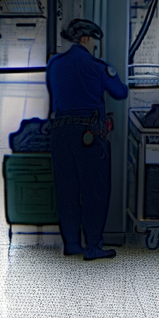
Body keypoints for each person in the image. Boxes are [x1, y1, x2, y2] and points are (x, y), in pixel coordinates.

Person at [46, 18, 128, 260]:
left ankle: (71, 243)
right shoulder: (96, 66)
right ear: (86, 39)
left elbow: (54, 92)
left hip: (60, 133)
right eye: (93, 41)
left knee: (67, 189)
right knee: (94, 190)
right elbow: (120, 92)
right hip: (88, 135)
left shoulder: (55, 63)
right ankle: (93, 247)